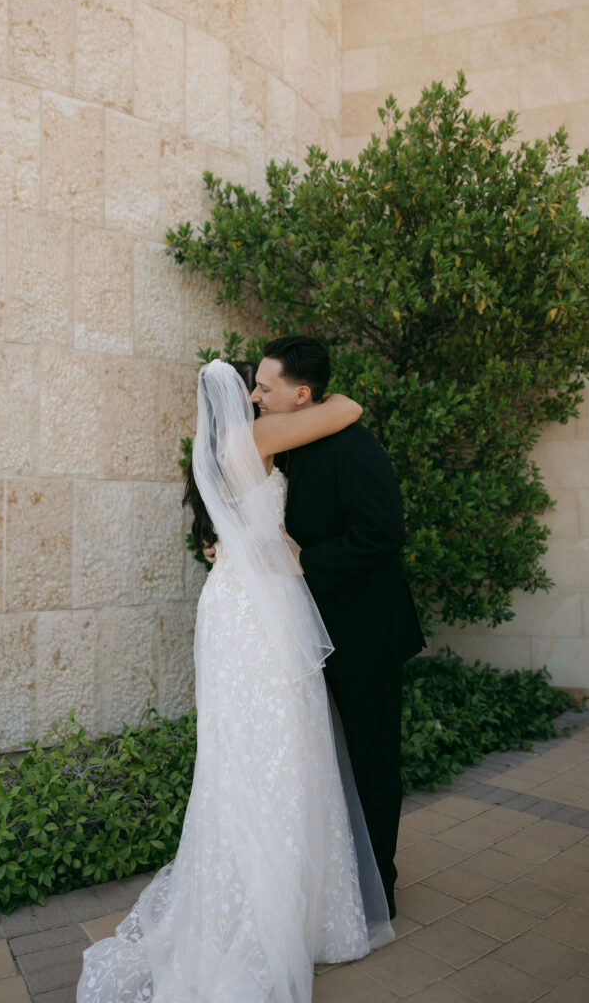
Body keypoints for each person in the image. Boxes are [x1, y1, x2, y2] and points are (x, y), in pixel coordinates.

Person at [77, 359, 393, 1003]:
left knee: (258, 749)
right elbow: (347, 409)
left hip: (241, 599)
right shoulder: (253, 439)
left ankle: (281, 896)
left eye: (263, 385)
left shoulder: (225, 447)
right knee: (274, 747)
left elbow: (238, 524)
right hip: (257, 606)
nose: (256, 396)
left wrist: (236, 544)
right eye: (249, 386)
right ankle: (275, 908)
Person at [248, 336, 425, 919]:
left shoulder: (353, 446)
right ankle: (330, 881)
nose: (255, 397)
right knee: (318, 765)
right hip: (298, 635)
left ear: (302, 395)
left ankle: (378, 891)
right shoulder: (281, 445)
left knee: (372, 762)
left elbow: (382, 533)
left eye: (266, 387)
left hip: (364, 633)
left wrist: (308, 563)